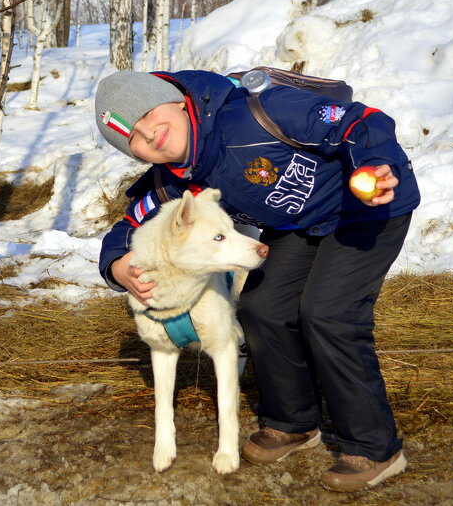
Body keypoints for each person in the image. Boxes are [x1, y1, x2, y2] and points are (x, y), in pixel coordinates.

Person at [94, 68, 420, 492]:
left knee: (327, 312)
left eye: (149, 113)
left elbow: (359, 121)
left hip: (368, 206)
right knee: (261, 308)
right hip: (298, 227)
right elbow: (130, 224)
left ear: (176, 100)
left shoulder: (258, 113)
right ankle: (294, 423)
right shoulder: (175, 182)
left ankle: (375, 447)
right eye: (133, 136)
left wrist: (374, 167)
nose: (149, 133)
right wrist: (118, 263)